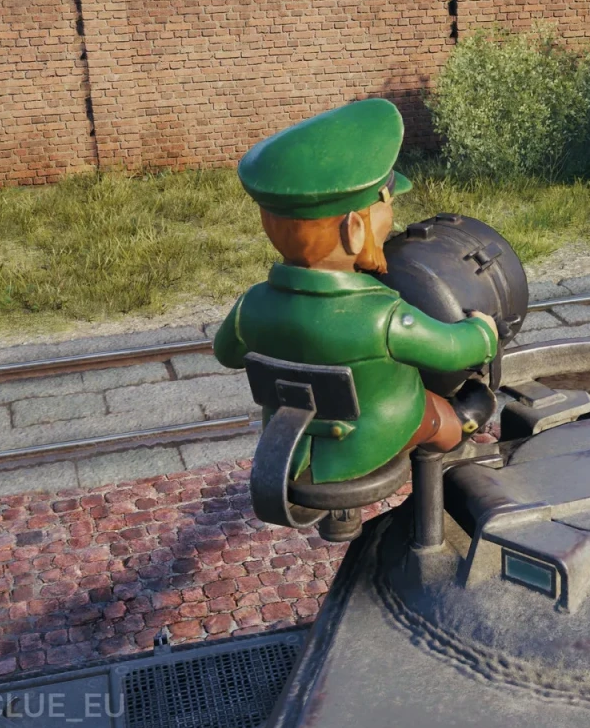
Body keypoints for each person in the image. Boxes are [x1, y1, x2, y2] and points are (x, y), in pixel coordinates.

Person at [213, 98, 499, 485]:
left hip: (292, 445)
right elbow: (450, 350)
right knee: (434, 412)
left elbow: (227, 354)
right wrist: (482, 334)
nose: (391, 221)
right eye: (386, 208)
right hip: (368, 443)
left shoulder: (251, 306)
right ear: (354, 230)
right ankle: (459, 425)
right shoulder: (382, 316)